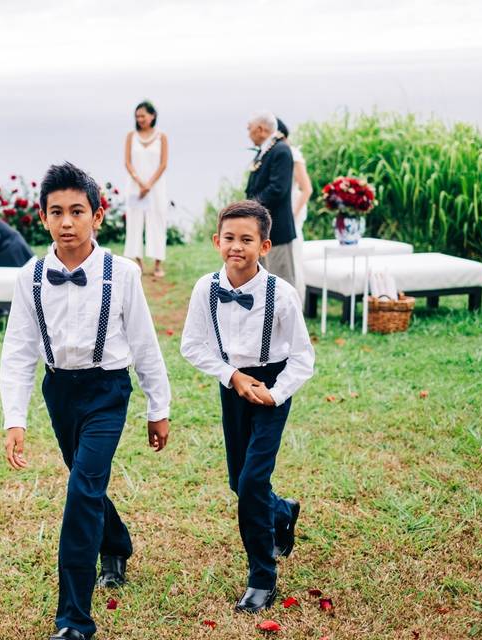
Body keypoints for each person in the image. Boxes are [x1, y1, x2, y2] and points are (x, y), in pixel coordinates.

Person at [0, 162, 171, 640]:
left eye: (78, 211)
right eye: (57, 212)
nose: (68, 222)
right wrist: (15, 418)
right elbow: (17, 350)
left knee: (80, 494)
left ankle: (74, 619)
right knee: (86, 480)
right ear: (43, 217)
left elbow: (144, 344)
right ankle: (115, 542)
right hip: (60, 392)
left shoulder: (124, 273)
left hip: (107, 391)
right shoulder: (30, 277)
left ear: (98, 215)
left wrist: (159, 407)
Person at [180, 200, 314, 614]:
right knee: (240, 482)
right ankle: (282, 510)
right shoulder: (206, 288)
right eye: (229, 238)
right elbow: (192, 345)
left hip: (273, 389)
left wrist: (276, 392)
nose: (236, 246)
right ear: (217, 241)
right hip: (233, 384)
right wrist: (232, 377)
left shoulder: (282, 294)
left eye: (247, 240)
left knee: (253, 481)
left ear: (265, 245)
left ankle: (261, 577)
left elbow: (303, 356)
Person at [244, 110, 295, 287]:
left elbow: (277, 189)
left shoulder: (281, 151)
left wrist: (250, 206)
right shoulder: (267, 150)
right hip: (264, 227)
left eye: (249, 128)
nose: (248, 133)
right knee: (264, 280)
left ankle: (285, 315)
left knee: (282, 280)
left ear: (260, 129)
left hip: (278, 228)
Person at [123, 100, 169, 278]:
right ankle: (138, 262)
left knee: (157, 220)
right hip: (135, 187)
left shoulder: (161, 137)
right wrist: (140, 182)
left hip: (156, 187)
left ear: (152, 115)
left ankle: (158, 264)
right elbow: (127, 162)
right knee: (134, 221)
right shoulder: (131, 136)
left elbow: (163, 163)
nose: (140, 119)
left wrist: (149, 184)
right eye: (137, 116)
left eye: (143, 115)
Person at [277, 118, 313, 301]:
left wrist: (293, 214)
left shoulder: (292, 154)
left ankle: (296, 300)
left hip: (291, 209)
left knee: (293, 255)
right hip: (280, 210)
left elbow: (306, 189)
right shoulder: (270, 154)